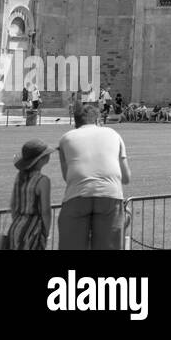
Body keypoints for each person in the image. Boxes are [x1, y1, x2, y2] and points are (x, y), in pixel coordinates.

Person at [57, 102, 130, 250]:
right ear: (98, 120)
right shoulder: (113, 134)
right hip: (110, 195)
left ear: (76, 122)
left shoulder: (66, 138)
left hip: (77, 195)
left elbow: (67, 177)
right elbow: (126, 177)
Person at [7, 139, 53, 250]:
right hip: (34, 231)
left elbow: (13, 205)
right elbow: (45, 211)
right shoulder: (43, 180)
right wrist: (45, 232)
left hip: (16, 227)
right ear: (40, 159)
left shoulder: (19, 177)